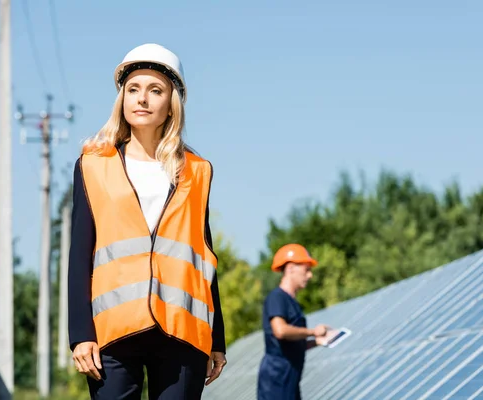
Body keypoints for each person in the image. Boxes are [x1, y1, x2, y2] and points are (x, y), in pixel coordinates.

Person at [68, 43, 227, 400]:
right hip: (112, 331)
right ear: (122, 98)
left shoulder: (198, 171)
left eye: (155, 90)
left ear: (172, 104)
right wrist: (80, 334)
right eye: (133, 89)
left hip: (183, 330)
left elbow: (204, 256)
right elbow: (80, 254)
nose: (142, 99)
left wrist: (216, 337)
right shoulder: (93, 165)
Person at [257, 244, 331, 400]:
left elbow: (292, 344)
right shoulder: (277, 297)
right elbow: (281, 331)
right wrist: (313, 332)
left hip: (289, 379)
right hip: (277, 380)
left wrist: (317, 341)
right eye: (306, 270)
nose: (310, 275)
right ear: (290, 268)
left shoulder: (292, 303)